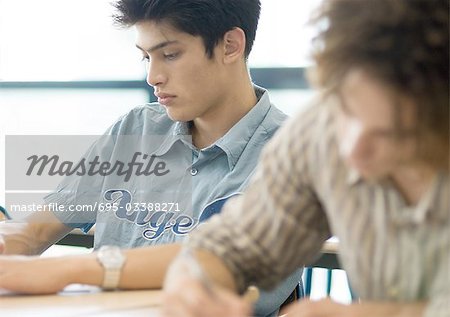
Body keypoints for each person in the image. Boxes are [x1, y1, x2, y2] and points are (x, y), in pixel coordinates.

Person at [0, 0, 303, 315]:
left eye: (170, 55)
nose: (152, 76)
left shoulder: (292, 153)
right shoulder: (136, 128)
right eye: (146, 57)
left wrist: (68, 270)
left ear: (230, 46)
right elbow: (34, 230)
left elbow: (225, 264)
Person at [161, 0, 450, 316]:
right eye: (345, 109)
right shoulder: (317, 133)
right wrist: (191, 280)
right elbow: (234, 245)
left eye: (394, 135)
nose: (351, 151)